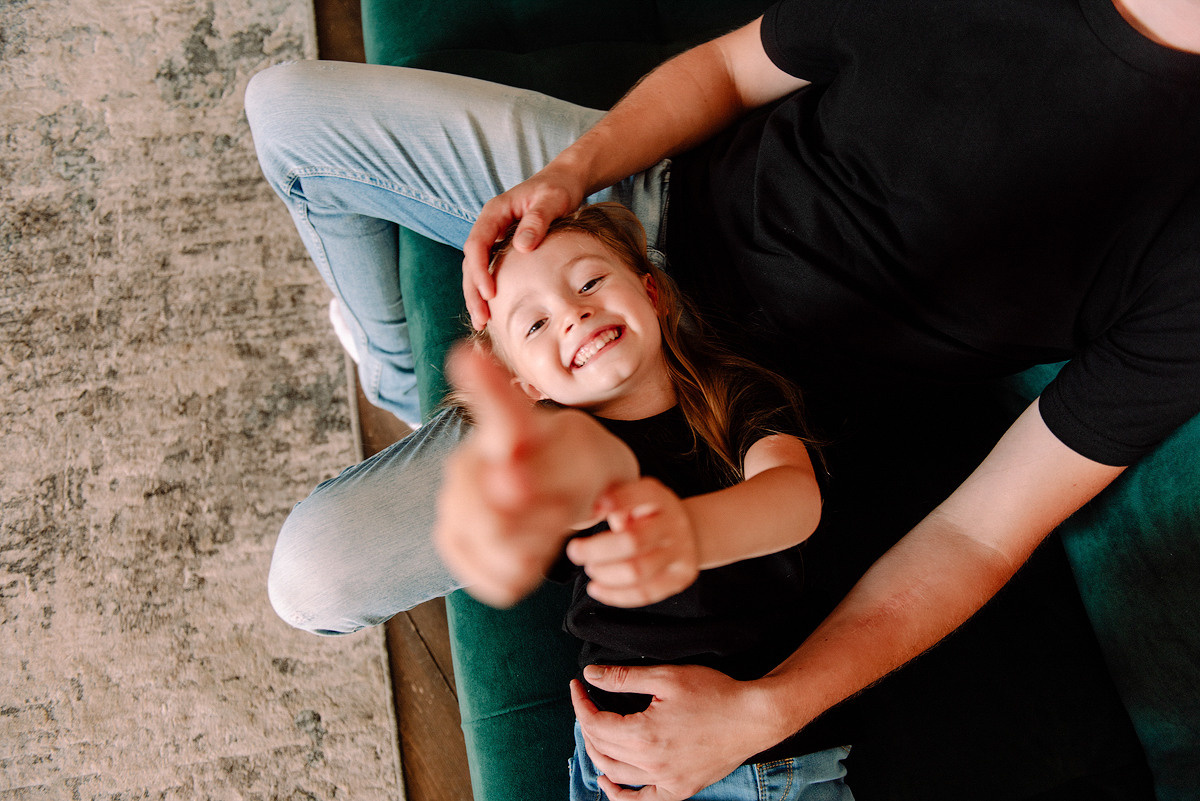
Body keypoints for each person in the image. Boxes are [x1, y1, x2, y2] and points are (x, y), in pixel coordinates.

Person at [246, 0, 1199, 797]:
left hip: (712, 394)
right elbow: (727, 72)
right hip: (636, 213)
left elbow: (982, 532)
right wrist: (571, 178)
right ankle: (408, 380)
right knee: (287, 107)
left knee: (313, 576)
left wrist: (766, 708)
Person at [438, 202, 851, 800]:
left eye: (590, 282)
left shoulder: (736, 394)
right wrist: (522, 496)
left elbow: (794, 499)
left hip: (762, 763)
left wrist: (687, 530)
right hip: (618, 760)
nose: (573, 314)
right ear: (527, 387)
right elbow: (591, 476)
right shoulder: (574, 452)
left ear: (652, 291)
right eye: (535, 326)